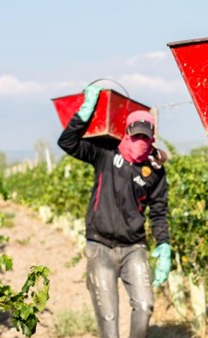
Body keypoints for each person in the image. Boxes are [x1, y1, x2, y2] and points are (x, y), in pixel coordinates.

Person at [58, 84, 171, 338]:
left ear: (152, 137)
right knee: (108, 321)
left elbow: (159, 211)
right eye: (136, 135)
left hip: (134, 248)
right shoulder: (105, 154)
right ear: (127, 133)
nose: (140, 142)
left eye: (145, 136)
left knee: (144, 306)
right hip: (100, 247)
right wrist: (83, 114)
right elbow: (66, 142)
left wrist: (164, 245)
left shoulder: (154, 170)